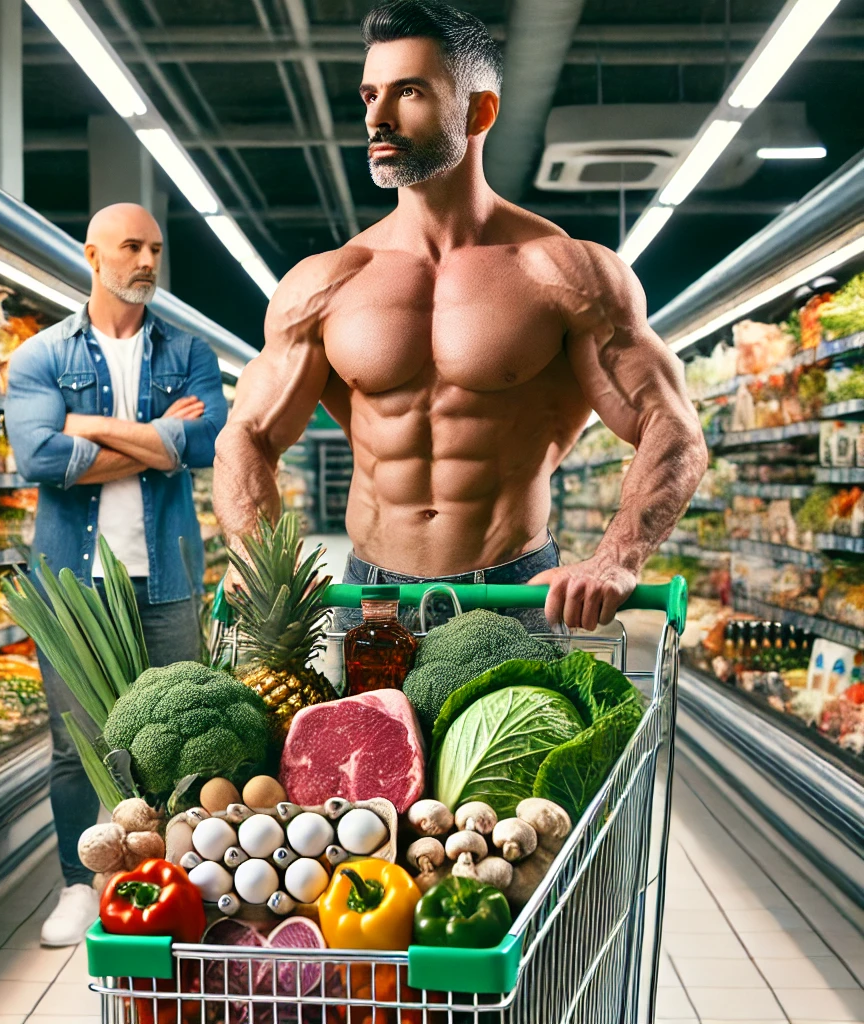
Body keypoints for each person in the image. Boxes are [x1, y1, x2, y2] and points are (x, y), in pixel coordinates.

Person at [214, 0, 707, 632]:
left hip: (514, 594)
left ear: (480, 110)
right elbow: (246, 434)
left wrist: (617, 557)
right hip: (371, 598)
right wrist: (256, 555)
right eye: (369, 94)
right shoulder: (327, 281)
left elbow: (672, 425)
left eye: (409, 91)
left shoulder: (563, 272)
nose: (377, 117)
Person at [5, 202, 227, 945]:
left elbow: (204, 446)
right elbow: (36, 458)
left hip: (166, 577)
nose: (147, 262)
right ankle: (77, 885)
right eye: (132, 247)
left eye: (156, 249)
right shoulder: (42, 355)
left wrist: (88, 428)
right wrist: (157, 437)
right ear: (93, 255)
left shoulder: (188, 352)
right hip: (74, 584)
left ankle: (173, 877)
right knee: (75, 744)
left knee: (181, 735)